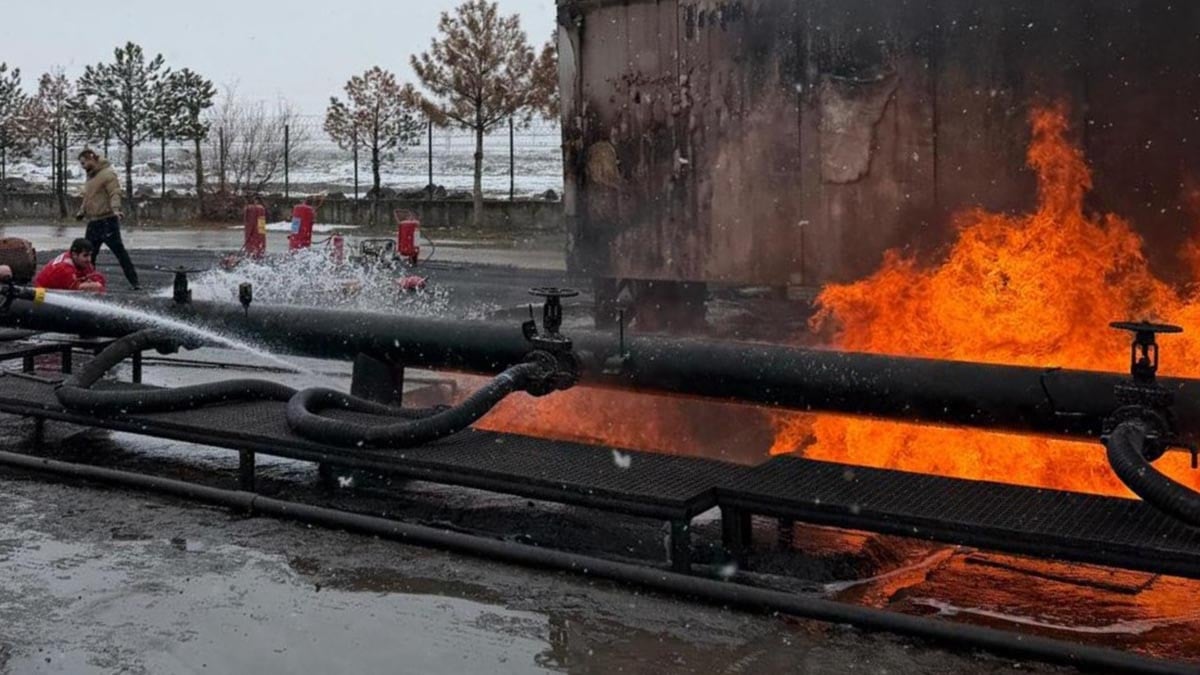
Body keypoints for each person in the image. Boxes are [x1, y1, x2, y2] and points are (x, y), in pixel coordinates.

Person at [76, 149, 139, 290]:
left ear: (91, 159)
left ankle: (135, 282)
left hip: (107, 221)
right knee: (89, 256)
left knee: (120, 253)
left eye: (84, 163)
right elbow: (88, 197)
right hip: (93, 222)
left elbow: (115, 192)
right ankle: (88, 283)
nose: (82, 166)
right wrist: (82, 211)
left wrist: (116, 209)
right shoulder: (91, 177)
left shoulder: (107, 174)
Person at [33, 239, 106, 293]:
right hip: (42, 293)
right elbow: (75, 289)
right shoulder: (64, 268)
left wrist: (94, 283)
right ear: (74, 255)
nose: (89, 259)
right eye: (85, 255)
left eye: (90, 255)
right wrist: (93, 285)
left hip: (60, 288)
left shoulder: (80, 261)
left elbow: (95, 276)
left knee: (98, 279)